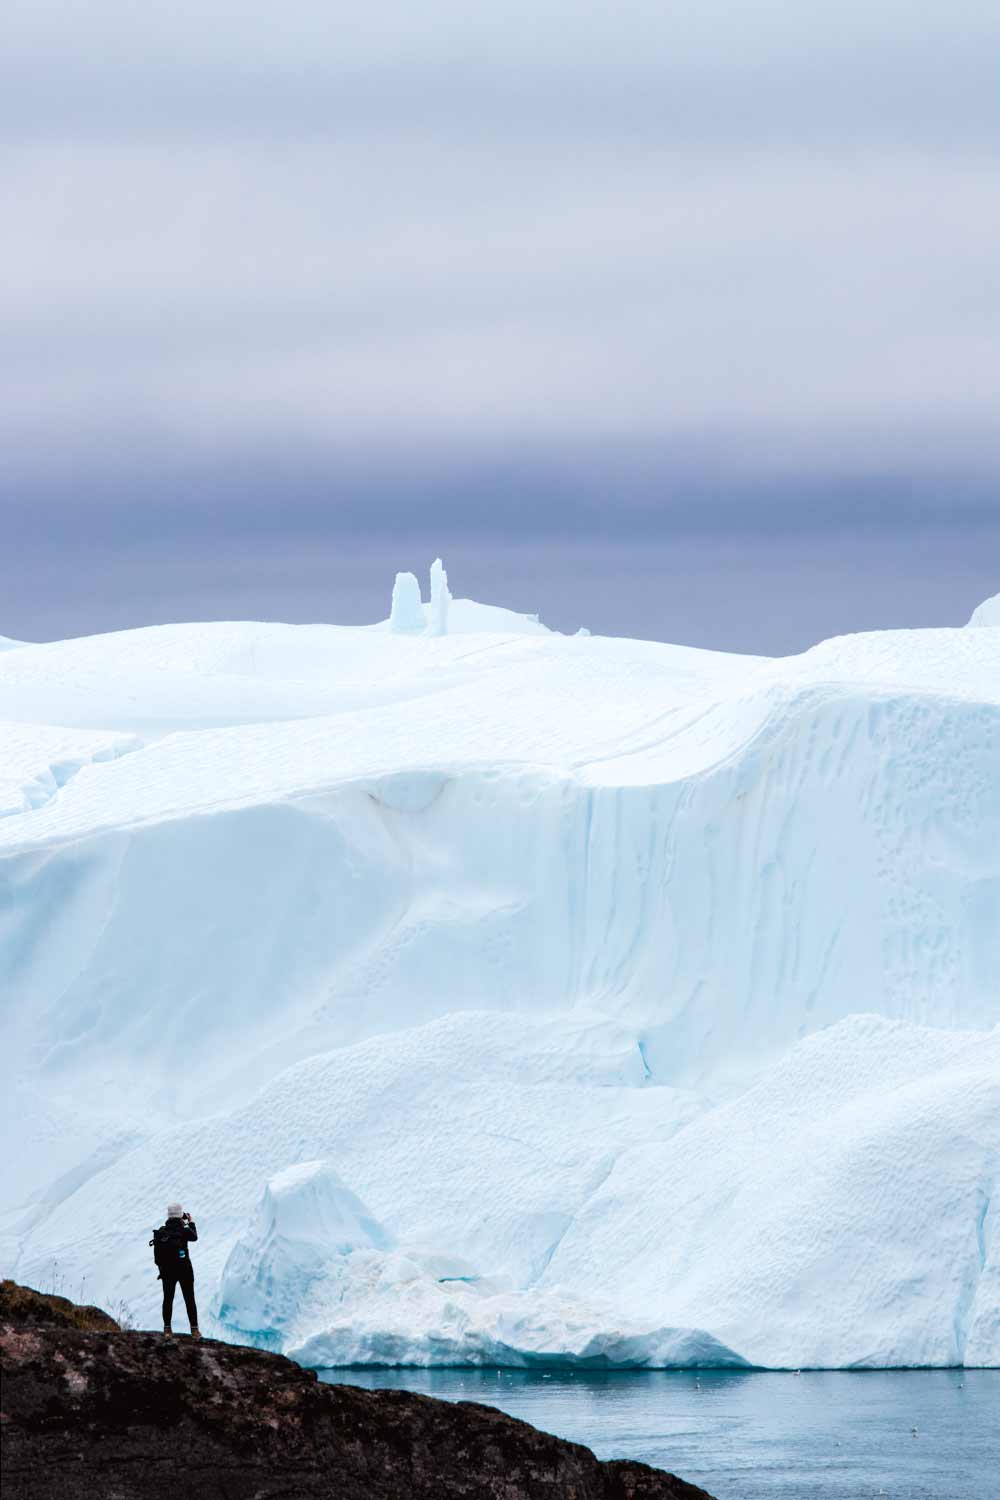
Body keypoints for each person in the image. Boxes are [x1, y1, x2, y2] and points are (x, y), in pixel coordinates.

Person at [151, 1202, 200, 1338]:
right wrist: (190, 1222)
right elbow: (194, 1237)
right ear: (180, 1214)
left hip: (167, 1272)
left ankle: (167, 1329)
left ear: (168, 1215)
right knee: (189, 1299)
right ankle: (194, 1330)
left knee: (168, 1299)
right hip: (184, 1270)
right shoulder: (183, 1230)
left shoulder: (162, 1232)